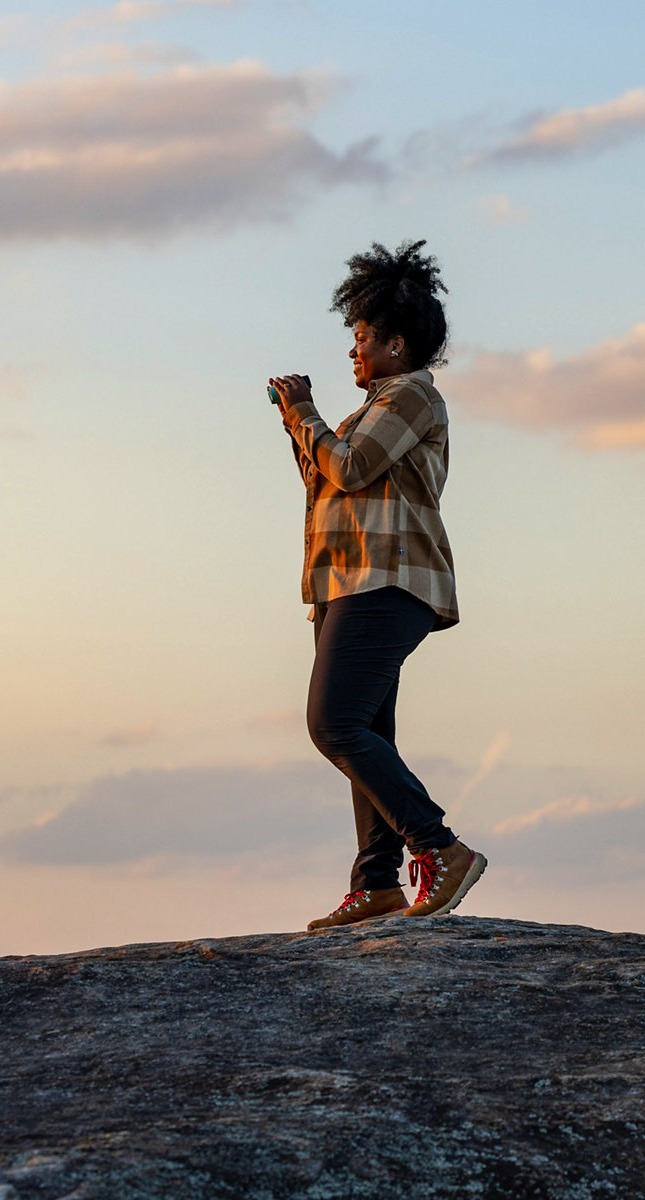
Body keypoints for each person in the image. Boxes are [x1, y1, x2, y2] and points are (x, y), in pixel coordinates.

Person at [268, 239, 486, 932]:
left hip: (388, 581)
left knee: (332, 725)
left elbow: (353, 467)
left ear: (397, 342)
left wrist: (306, 414)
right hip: (348, 586)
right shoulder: (378, 404)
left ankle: (439, 847)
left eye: (363, 338)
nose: (354, 352)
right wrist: (296, 423)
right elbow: (330, 481)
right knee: (366, 733)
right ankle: (376, 886)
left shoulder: (414, 395)